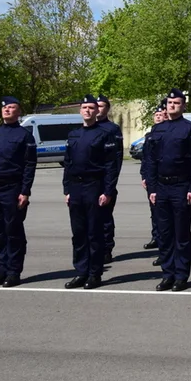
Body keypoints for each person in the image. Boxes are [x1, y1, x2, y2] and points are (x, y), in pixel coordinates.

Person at [143, 89, 191, 292]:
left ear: (183, 105)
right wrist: (152, 187)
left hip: (181, 187)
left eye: (176, 103)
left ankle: (181, 275)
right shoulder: (157, 130)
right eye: (169, 102)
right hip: (161, 188)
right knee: (164, 234)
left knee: (181, 234)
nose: (172, 106)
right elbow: (150, 161)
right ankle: (167, 274)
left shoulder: (190, 129)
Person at [0, 96, 37, 287]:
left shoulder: (24, 136)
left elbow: (29, 165)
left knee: (13, 231)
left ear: (19, 112)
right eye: (5, 108)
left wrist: (25, 191)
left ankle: (14, 272)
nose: (7, 110)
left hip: (12, 189)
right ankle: (2, 269)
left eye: (12, 108)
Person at [62, 95, 118, 290]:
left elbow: (111, 166)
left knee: (94, 233)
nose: (87, 111)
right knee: (78, 233)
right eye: (84, 107)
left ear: (97, 111)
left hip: (95, 187)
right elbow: (67, 164)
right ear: (80, 111)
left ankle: (95, 274)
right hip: (76, 188)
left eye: (91, 108)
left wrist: (107, 191)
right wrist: (66, 190)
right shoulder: (73, 135)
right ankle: (81, 271)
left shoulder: (104, 134)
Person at [95, 95, 123, 264]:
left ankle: (106, 249)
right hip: (88, 182)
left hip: (105, 181)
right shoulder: (87, 128)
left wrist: (111, 183)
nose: (98, 109)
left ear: (107, 109)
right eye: (95, 105)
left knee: (105, 217)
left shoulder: (112, 129)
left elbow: (117, 157)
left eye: (102, 106)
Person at [141, 103, 167, 259]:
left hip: (165, 178)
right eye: (156, 115)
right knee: (154, 210)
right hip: (152, 178)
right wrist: (144, 176)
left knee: (163, 213)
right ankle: (156, 236)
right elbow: (146, 159)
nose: (158, 117)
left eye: (161, 115)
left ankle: (164, 244)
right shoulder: (149, 135)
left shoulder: (166, 133)